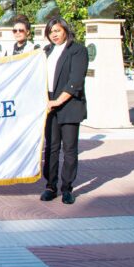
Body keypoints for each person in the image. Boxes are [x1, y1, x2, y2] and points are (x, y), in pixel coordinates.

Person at [41, 17, 88, 205]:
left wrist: (58, 101)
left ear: (65, 31)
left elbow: (76, 80)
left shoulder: (77, 50)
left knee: (69, 149)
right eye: (51, 32)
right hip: (49, 105)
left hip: (69, 104)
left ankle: (67, 188)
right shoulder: (46, 51)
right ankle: (50, 186)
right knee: (51, 148)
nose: (54, 35)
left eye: (57, 31)